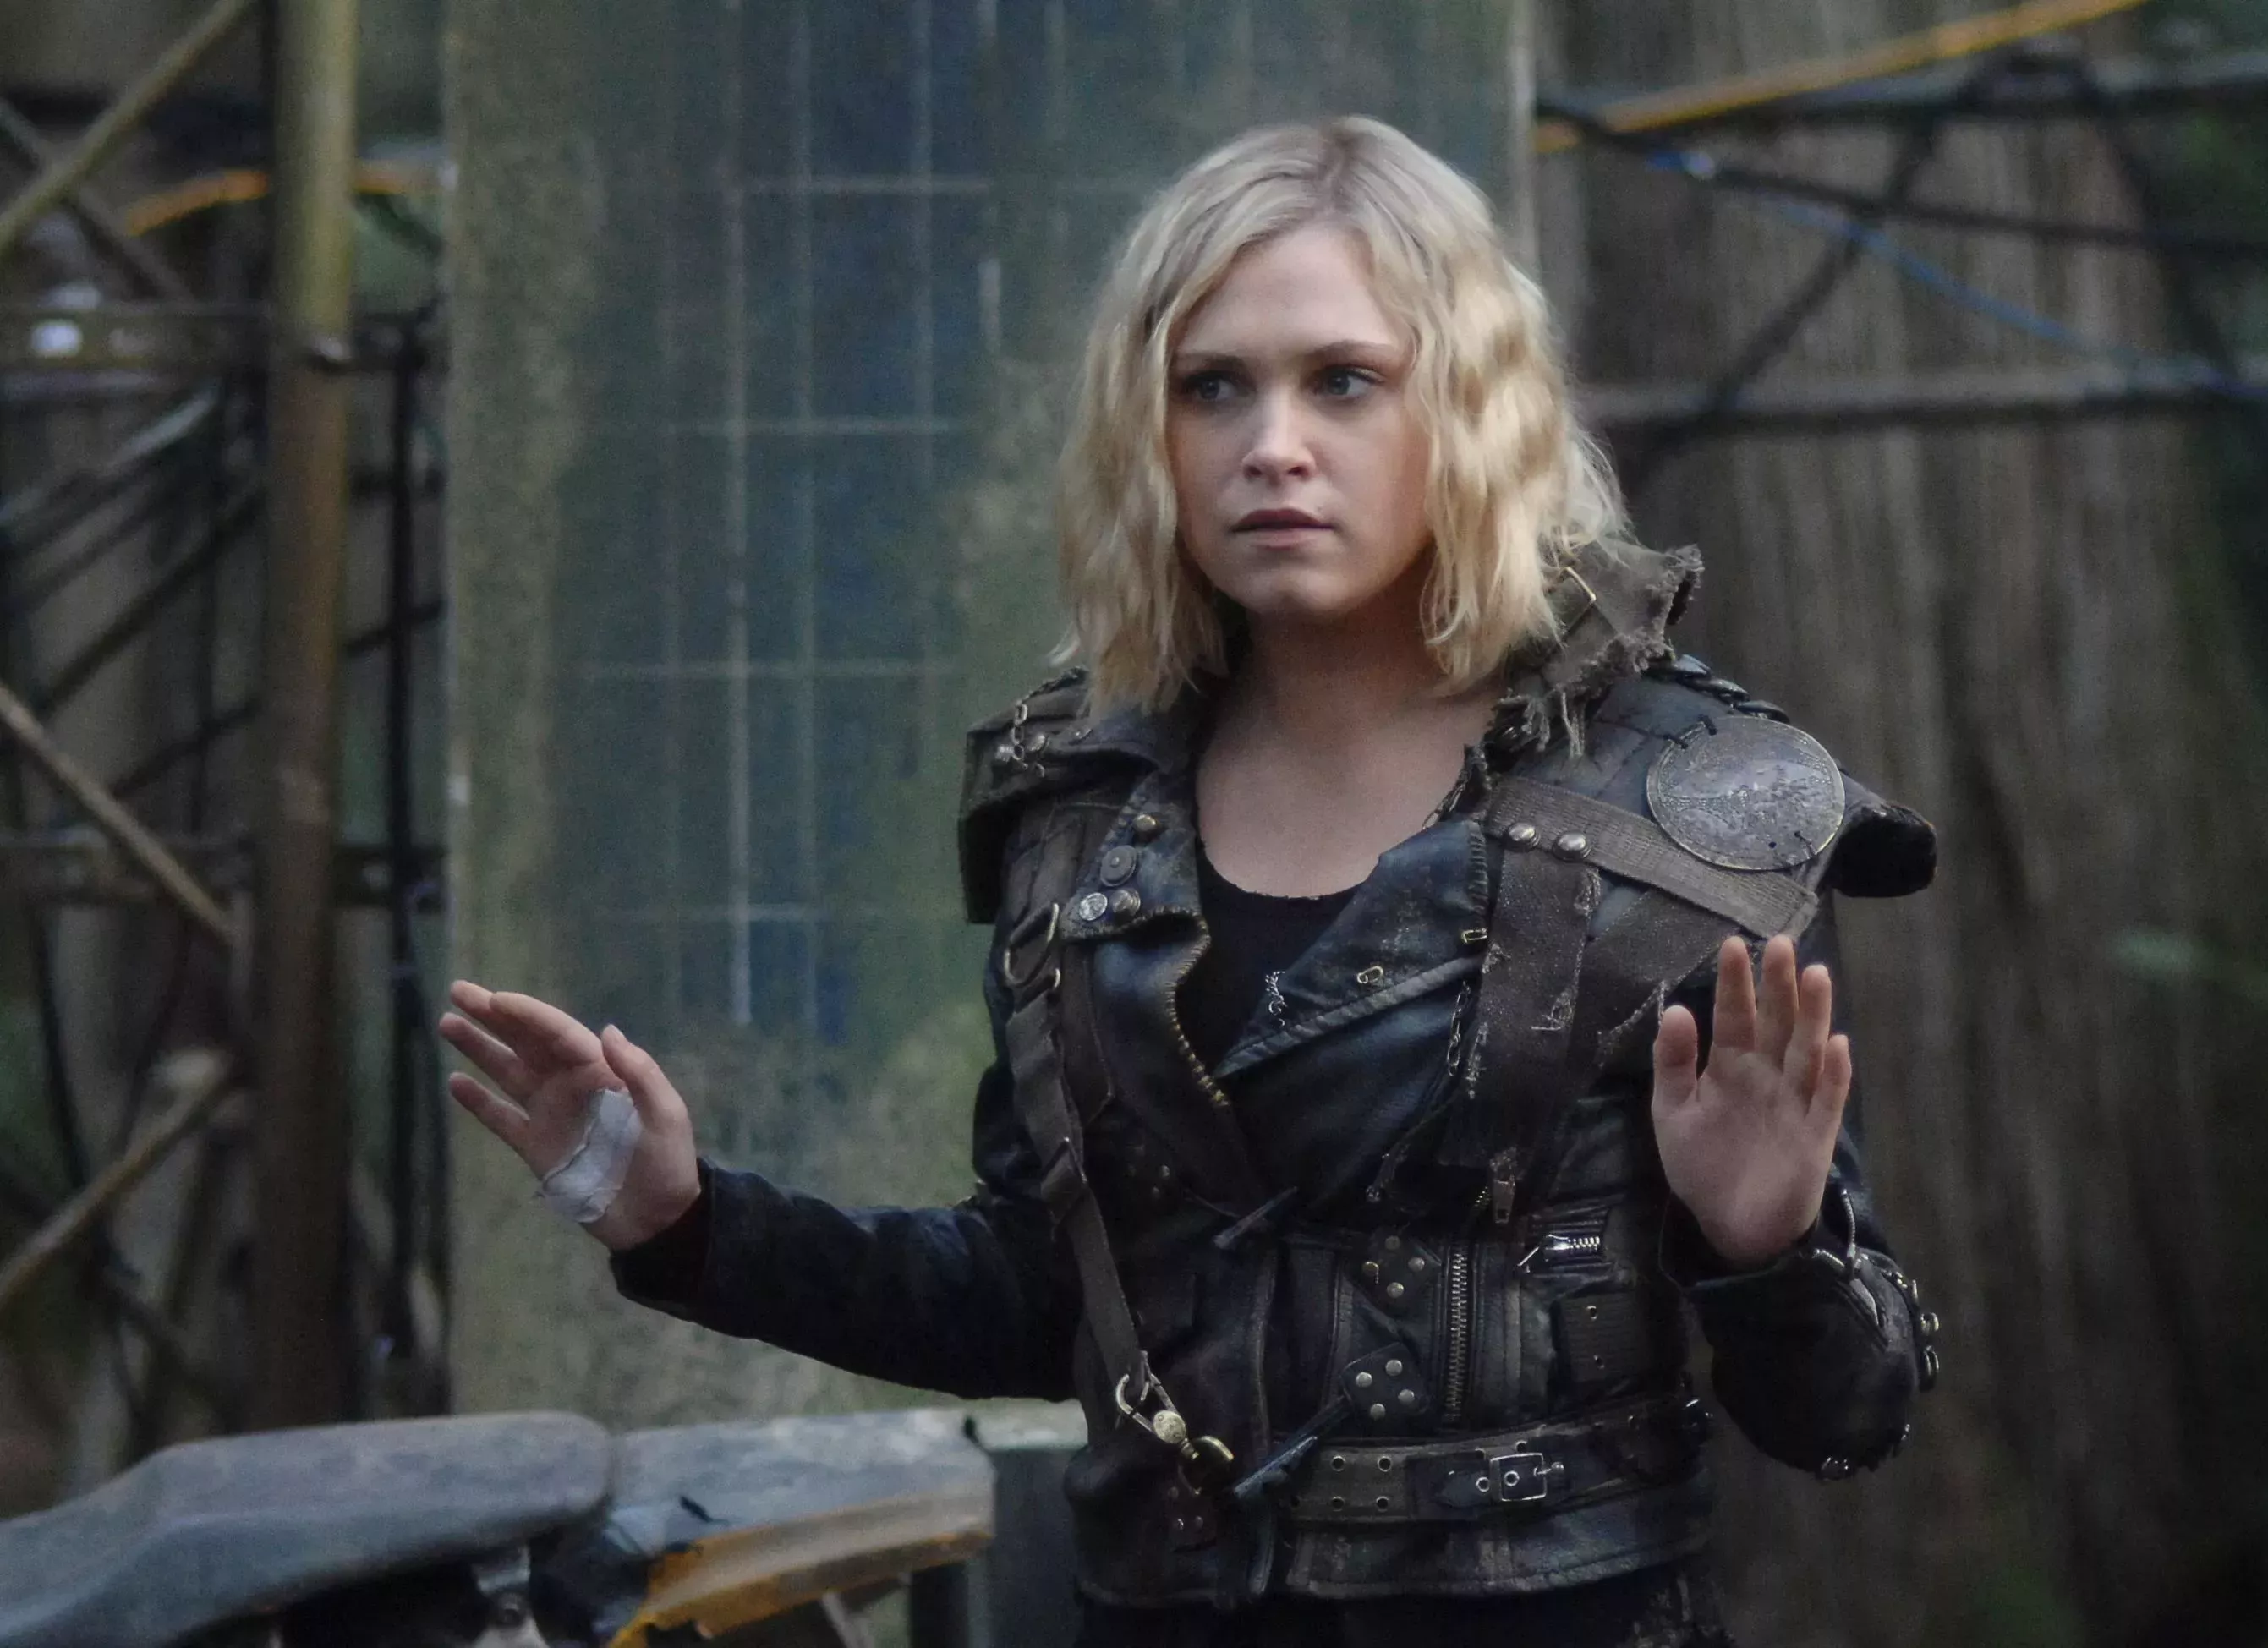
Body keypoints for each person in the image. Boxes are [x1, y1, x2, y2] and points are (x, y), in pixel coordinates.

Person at [441, 116, 1940, 1648]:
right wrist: (689, 1221)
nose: (1271, 444)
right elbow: (1043, 1297)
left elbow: (1855, 1410)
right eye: (1212, 386)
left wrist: (1766, 1248)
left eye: (1343, 380)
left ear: (1469, 407)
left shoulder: (1684, 812)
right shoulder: (1081, 812)